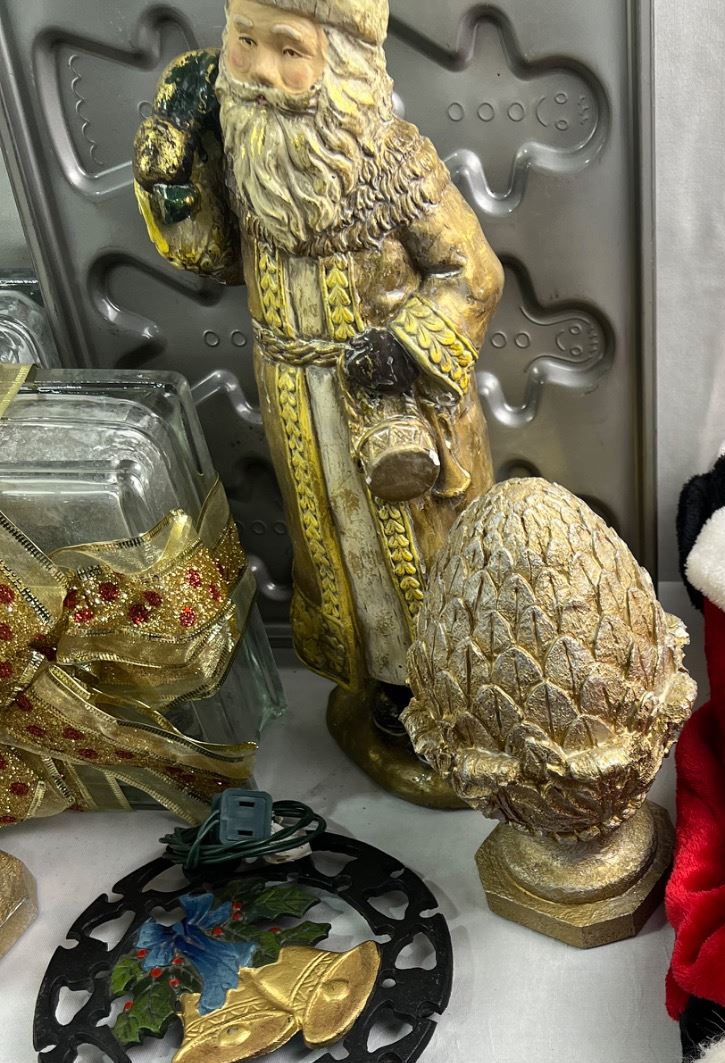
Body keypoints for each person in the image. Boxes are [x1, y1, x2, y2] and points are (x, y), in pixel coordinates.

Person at [131, 0, 503, 794]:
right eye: (244, 43)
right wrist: (173, 169)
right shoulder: (246, 151)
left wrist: (403, 349)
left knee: (420, 556)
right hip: (296, 401)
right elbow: (214, 256)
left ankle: (455, 695)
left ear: (343, 64)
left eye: (289, 49)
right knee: (338, 558)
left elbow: (473, 274)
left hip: (395, 404)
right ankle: (385, 693)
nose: (261, 72)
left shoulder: (398, 164)